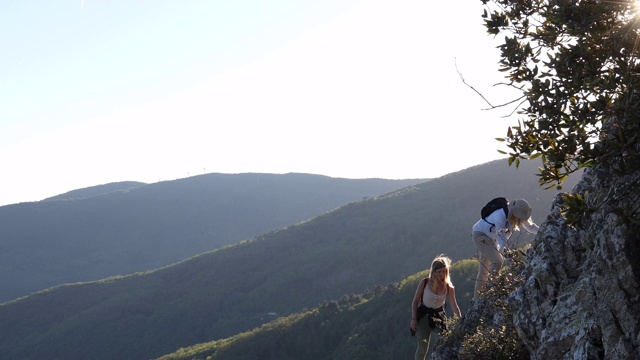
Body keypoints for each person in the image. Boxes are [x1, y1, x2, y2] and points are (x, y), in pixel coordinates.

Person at [471, 198, 540, 301]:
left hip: (490, 239)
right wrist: (509, 258)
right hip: (480, 235)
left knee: (484, 269)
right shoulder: (500, 215)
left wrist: (543, 231)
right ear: (516, 213)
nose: (523, 220)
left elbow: (531, 227)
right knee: (497, 260)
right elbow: (501, 238)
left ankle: (476, 299)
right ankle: (488, 293)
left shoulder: (516, 216)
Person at [410, 255, 462, 360]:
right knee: (422, 348)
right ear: (434, 271)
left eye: (444, 272)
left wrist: (460, 320)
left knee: (445, 342)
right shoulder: (424, 282)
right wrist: (414, 319)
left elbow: (454, 305)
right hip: (423, 316)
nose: (442, 274)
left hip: (439, 317)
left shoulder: (448, 286)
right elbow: (415, 301)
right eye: (439, 272)